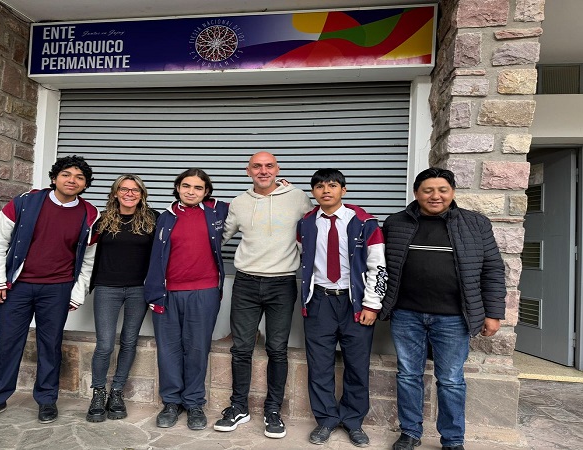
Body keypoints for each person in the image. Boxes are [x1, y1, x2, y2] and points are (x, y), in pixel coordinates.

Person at [379, 168, 506, 450]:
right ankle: (410, 432)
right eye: (428, 190)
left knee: (450, 380)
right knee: (408, 375)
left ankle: (452, 440)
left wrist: (493, 313)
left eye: (442, 190)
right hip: (406, 314)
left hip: (453, 317)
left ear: (453, 192)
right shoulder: (396, 223)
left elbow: (493, 270)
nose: (435, 196)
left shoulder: (475, 224)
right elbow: (380, 266)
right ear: (416, 193)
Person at [0, 155, 99, 424]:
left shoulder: (90, 214)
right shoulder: (24, 203)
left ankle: (46, 399)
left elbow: (88, 259)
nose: (72, 180)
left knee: (50, 345)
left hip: (57, 289)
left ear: (85, 185)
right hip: (17, 287)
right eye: (66, 175)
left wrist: (77, 293)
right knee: (7, 343)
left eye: (79, 177)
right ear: (54, 178)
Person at [215, 152, 313, 439]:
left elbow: (316, 227)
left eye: (269, 166)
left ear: (277, 169)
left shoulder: (298, 198)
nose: (263, 170)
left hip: (282, 283)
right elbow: (218, 237)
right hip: (246, 283)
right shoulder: (239, 202)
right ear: (248, 171)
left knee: (277, 349)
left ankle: (273, 411)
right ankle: (238, 407)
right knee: (241, 348)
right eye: (257, 166)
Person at [296, 169, 387, 446]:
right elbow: (302, 259)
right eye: (320, 186)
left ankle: (353, 421)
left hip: (354, 303)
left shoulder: (364, 222)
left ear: (343, 190)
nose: (326, 190)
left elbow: (378, 266)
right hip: (320, 301)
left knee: (357, 365)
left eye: (333, 185)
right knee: (319, 365)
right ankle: (326, 419)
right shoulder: (305, 224)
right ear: (313, 192)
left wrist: (372, 304)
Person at [144, 168, 228, 431]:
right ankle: (171, 402)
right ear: (178, 188)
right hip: (167, 293)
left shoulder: (217, 212)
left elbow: (255, 205)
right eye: (186, 186)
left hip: (204, 292)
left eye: (198, 187)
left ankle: (193, 403)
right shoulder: (165, 217)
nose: (191, 191)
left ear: (207, 191)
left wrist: (280, 188)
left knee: (197, 349)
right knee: (168, 349)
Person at [85, 174, 159, 422]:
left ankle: (116, 392)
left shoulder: (152, 219)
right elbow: (84, 251)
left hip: (139, 289)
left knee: (129, 341)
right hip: (107, 288)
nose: (129, 194)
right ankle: (98, 393)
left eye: (135, 190)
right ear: (115, 193)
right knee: (105, 344)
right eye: (124, 189)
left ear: (142, 194)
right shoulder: (102, 220)